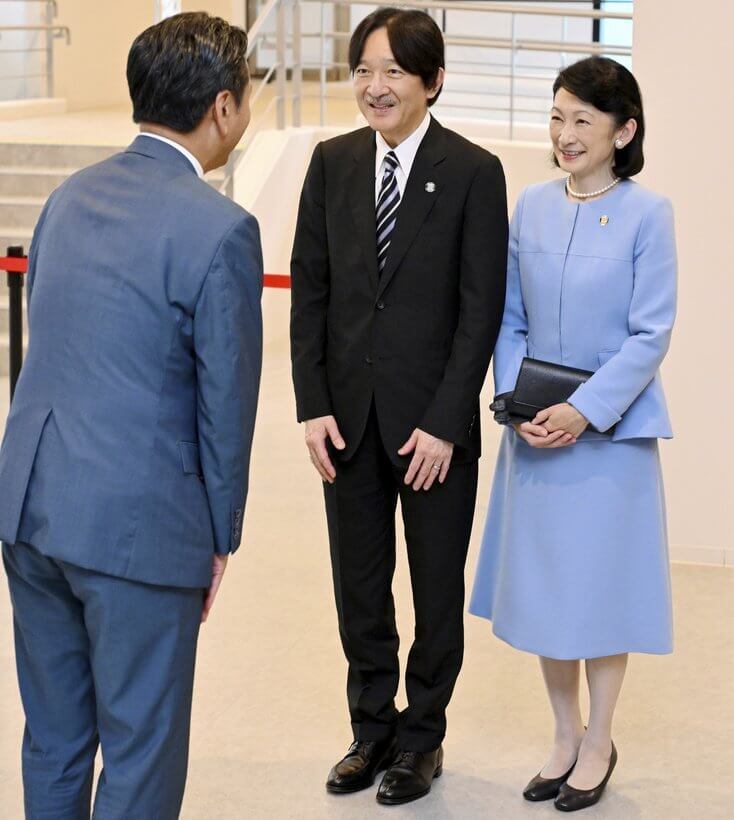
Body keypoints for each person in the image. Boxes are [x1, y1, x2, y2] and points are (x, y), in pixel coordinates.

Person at [0, 13, 262, 819]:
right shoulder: (221, 229)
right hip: (137, 529)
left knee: (53, 739)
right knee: (142, 751)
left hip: (32, 509)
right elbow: (227, 408)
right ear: (223, 106)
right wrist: (220, 537)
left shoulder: (68, 197)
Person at [290, 7, 508, 806]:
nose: (373, 87)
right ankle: (371, 728)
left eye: (391, 72)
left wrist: (448, 421)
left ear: (432, 81)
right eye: (362, 71)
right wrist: (312, 404)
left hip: (432, 429)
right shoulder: (332, 161)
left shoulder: (475, 172)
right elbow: (309, 293)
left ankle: (423, 739)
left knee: (433, 590)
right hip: (345, 420)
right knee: (359, 586)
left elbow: (480, 309)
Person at [469, 56, 676, 812]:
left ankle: (600, 738)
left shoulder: (649, 214)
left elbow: (649, 334)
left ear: (623, 131)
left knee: (601, 591)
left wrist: (584, 410)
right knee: (551, 591)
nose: (566, 133)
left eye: (583, 119)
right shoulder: (530, 205)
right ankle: (563, 733)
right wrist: (522, 407)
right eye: (557, 117)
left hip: (608, 438)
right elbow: (509, 321)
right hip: (535, 432)